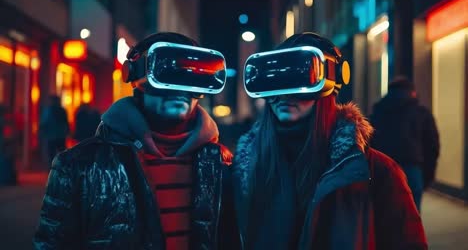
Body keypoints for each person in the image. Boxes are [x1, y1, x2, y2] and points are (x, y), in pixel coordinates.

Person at [34, 32, 238, 249]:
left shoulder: (222, 163)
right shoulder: (78, 166)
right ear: (135, 76)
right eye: (166, 73)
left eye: (192, 77)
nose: (180, 89)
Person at [233, 32, 427, 249]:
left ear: (329, 85)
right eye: (275, 82)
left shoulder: (375, 172)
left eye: (300, 79)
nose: (285, 95)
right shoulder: (244, 171)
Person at [370, 77, 440, 211]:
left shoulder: (378, 112)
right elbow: (432, 147)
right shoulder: (421, 113)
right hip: (412, 170)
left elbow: (370, 144)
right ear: (412, 92)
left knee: (386, 215)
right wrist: (427, 176)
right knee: (412, 217)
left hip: (385, 170)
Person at [38, 95, 69, 167]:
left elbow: (43, 123)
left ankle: (52, 169)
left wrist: (41, 132)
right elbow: (65, 123)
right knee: (61, 154)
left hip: (51, 136)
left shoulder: (48, 110)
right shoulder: (62, 110)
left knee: (51, 154)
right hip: (60, 135)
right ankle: (62, 168)